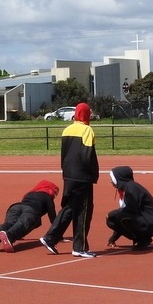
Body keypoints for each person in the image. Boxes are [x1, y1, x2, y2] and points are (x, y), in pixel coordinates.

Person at [39, 102, 99, 258]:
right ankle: (80, 247)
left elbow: (63, 154)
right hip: (82, 177)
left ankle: (50, 238)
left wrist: (65, 171)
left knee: (70, 208)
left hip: (68, 175)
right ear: (85, 114)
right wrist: (93, 174)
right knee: (84, 211)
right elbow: (87, 155)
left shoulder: (67, 130)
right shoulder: (87, 130)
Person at [0, 180, 59, 253]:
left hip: (15, 207)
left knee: (10, 223)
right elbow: (52, 215)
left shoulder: (29, 194)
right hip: (32, 210)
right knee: (22, 224)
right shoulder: (48, 197)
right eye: (55, 192)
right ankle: (9, 235)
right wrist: (57, 233)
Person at [106, 166, 153, 250]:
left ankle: (144, 239)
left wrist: (113, 213)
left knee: (118, 216)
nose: (111, 182)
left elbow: (131, 210)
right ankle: (138, 238)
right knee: (111, 220)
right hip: (142, 218)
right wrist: (113, 237)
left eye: (113, 179)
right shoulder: (126, 188)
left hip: (150, 221)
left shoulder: (131, 188)